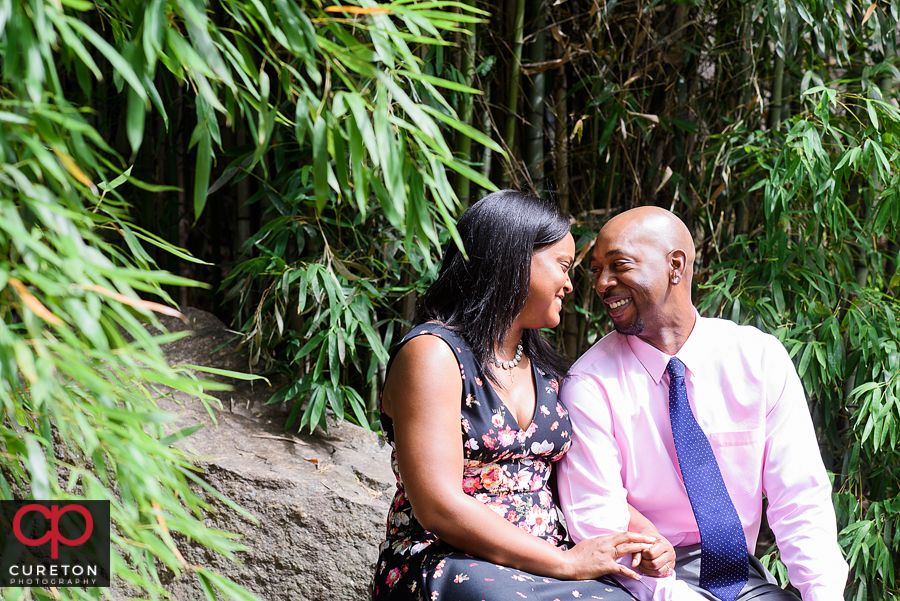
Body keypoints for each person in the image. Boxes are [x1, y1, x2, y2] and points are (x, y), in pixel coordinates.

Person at [372, 190, 673, 601]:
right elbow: (438, 506)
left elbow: (577, 482)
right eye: (563, 266)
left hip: (548, 562)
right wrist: (566, 563)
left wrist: (644, 536)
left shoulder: (548, 370)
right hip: (448, 559)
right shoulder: (432, 354)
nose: (570, 284)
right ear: (512, 260)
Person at [556, 206, 849, 601]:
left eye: (618, 265)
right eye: (595, 270)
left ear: (675, 265)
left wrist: (823, 596)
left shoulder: (758, 359)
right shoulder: (589, 384)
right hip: (634, 583)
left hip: (740, 576)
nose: (602, 283)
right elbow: (597, 519)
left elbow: (800, 499)